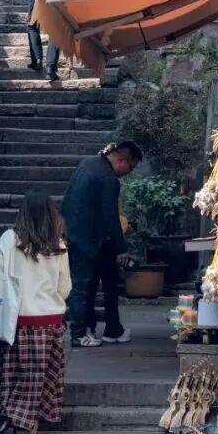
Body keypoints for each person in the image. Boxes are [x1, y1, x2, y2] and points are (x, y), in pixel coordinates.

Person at [0, 189, 70, 434]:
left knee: (16, 376)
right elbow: (65, 288)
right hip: (50, 322)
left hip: (17, 323)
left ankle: (23, 429)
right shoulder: (58, 244)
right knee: (41, 381)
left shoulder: (9, 239)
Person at [60, 141, 142, 347]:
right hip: (89, 239)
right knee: (80, 288)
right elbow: (110, 217)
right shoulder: (109, 179)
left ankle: (85, 329)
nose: (127, 173)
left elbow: (67, 200)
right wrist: (121, 248)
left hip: (73, 234)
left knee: (80, 287)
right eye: (130, 168)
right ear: (122, 160)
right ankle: (78, 334)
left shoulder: (87, 164)